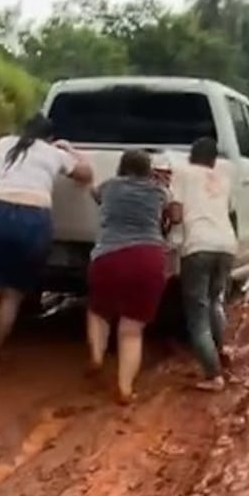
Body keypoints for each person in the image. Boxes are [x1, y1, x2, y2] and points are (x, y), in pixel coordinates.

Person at [0, 113, 92, 372]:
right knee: (13, 293)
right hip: (33, 217)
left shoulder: (5, 143)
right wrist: (69, 149)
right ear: (49, 136)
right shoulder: (54, 153)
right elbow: (86, 174)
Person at [87, 149, 172, 404]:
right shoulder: (159, 191)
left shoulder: (109, 187)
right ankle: (124, 388)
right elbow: (171, 209)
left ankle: (96, 356)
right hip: (148, 258)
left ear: (121, 167)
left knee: (98, 311)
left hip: (108, 257)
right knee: (132, 330)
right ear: (149, 170)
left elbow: (94, 193)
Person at [171, 137, 238, 391]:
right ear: (213, 159)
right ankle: (220, 353)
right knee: (214, 301)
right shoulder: (223, 178)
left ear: (191, 155)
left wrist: (172, 230)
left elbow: (176, 214)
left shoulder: (183, 173)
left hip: (198, 245)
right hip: (227, 245)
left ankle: (213, 375)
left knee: (197, 312)